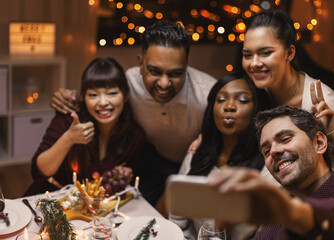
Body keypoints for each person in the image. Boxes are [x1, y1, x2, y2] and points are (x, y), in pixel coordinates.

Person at [48, 21, 217, 205]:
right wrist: (65, 97)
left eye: (175, 73)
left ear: (186, 66)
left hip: (192, 164)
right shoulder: (129, 81)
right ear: (140, 63)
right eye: (154, 71)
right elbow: (101, 95)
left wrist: (212, 136)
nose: (163, 83)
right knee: (136, 212)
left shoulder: (208, 95)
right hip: (150, 158)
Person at [238, 10, 334, 187]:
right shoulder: (255, 91)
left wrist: (332, 135)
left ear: (289, 53)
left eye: (265, 53)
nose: (254, 63)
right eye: (247, 55)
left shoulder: (321, 100)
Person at [207, 105, 334, 239]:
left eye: (285, 139)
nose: (274, 151)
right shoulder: (273, 225)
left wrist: (290, 211)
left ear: (319, 143)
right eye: (266, 151)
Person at [171, 71, 278, 239]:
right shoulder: (196, 155)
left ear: (257, 108)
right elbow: (177, 219)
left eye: (242, 100)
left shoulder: (267, 171)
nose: (229, 106)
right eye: (220, 99)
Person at [25, 58, 146, 195]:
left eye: (112, 93)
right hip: (52, 199)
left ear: (125, 95)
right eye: (93, 95)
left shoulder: (135, 135)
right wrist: (68, 138)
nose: (102, 102)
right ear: (84, 97)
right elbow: (39, 171)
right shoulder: (68, 119)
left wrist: (124, 174)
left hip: (98, 209)